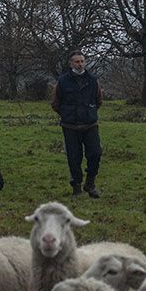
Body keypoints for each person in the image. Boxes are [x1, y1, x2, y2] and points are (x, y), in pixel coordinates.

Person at [51, 51, 103, 198]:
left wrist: (89, 112)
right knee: (74, 158)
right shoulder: (62, 81)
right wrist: (67, 114)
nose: (80, 64)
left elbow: (99, 100)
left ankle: (90, 184)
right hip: (70, 126)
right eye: (77, 62)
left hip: (90, 124)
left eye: (82, 61)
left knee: (95, 153)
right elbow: (55, 103)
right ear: (71, 63)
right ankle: (76, 187)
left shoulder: (93, 80)